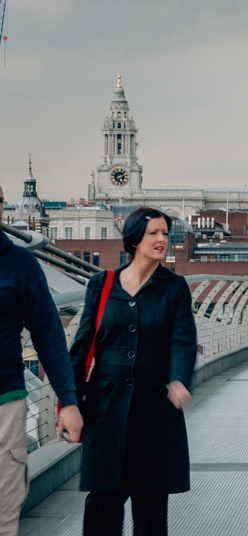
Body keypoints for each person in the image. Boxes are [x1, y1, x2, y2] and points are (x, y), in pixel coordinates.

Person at [70, 207, 197, 535]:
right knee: (102, 504)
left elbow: (183, 341)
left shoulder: (175, 288)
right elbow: (81, 347)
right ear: (134, 238)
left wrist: (180, 379)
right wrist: (68, 404)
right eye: (154, 233)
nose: (162, 240)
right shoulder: (101, 285)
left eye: (165, 234)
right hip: (105, 411)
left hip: (155, 411)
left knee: (151, 506)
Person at [0, 184, 83, 536]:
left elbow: (49, 335)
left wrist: (68, 400)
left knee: (3, 511)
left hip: (5, 404)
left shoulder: (21, 263)